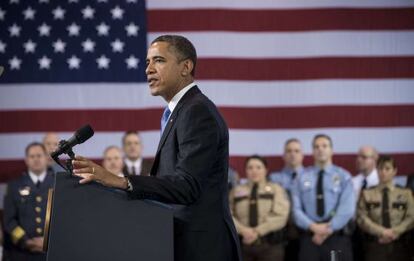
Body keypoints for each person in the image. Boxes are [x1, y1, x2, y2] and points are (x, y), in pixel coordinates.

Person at [71, 35, 242, 261]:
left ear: (186, 67)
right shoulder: (180, 112)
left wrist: (121, 181)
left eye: (158, 60)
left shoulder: (196, 111)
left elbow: (187, 186)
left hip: (203, 247)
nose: (148, 69)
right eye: (147, 62)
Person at [292, 134, 355, 261]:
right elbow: (296, 209)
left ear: (331, 150)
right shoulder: (301, 177)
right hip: (310, 238)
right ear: (312, 151)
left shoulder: (343, 176)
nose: (320, 149)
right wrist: (313, 227)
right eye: (316, 146)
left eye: (324, 146)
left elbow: (347, 208)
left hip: (336, 238)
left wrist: (328, 229)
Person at [230, 155, 289, 261]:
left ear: (266, 170)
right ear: (245, 170)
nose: (254, 171)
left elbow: (281, 216)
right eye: (250, 167)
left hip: (270, 246)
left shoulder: (276, 189)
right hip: (243, 246)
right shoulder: (235, 191)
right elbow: (229, 215)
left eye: (258, 167)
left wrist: (257, 232)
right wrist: (243, 231)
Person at [3, 142, 54, 261]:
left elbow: (65, 218)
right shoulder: (14, 186)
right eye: (32, 156)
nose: (36, 159)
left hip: (52, 252)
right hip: (22, 253)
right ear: (26, 160)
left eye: (39, 156)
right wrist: (26, 240)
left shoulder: (58, 184)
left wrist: (49, 241)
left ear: (47, 158)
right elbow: (9, 221)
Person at [357, 155, 414, 261]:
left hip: (400, 245)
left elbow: (411, 217)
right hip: (375, 245)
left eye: (387, 168)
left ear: (395, 171)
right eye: (380, 168)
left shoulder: (406, 193)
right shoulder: (367, 194)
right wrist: (381, 232)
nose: (383, 172)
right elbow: (362, 218)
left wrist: (395, 232)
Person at [269, 138, 304, 261]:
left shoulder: (311, 177)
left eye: (296, 151)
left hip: (305, 232)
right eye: (289, 151)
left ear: (302, 155)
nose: (292, 154)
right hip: (280, 234)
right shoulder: (273, 179)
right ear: (283, 155)